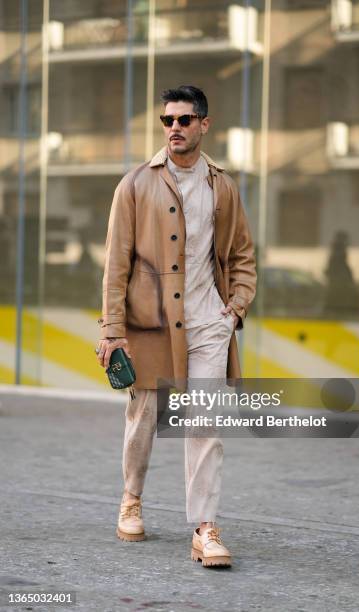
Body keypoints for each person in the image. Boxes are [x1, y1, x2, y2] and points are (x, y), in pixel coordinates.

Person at [96, 85, 256, 568]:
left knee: (205, 423)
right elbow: (115, 264)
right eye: (167, 121)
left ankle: (205, 528)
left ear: (204, 124)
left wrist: (235, 309)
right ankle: (131, 498)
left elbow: (243, 256)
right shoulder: (135, 184)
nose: (174, 129)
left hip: (209, 323)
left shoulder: (222, 186)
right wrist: (111, 329)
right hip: (152, 324)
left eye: (184, 120)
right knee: (144, 417)